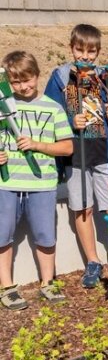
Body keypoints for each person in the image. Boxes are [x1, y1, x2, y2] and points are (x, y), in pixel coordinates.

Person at [44, 24, 108, 288]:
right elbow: (49, 113)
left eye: (91, 51)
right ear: (72, 48)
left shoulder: (105, 76)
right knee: (83, 207)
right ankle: (93, 261)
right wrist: (70, 122)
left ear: (98, 51)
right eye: (80, 50)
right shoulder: (60, 76)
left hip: (104, 152)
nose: (86, 56)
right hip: (76, 154)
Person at [0, 52, 73, 309]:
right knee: (2, 235)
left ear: (37, 75)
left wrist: (37, 145)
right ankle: (7, 286)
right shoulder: (4, 106)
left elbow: (66, 148)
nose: (23, 86)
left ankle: (47, 282)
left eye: (27, 79)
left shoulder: (53, 108)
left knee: (45, 235)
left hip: (42, 184)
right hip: (6, 184)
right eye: (16, 82)